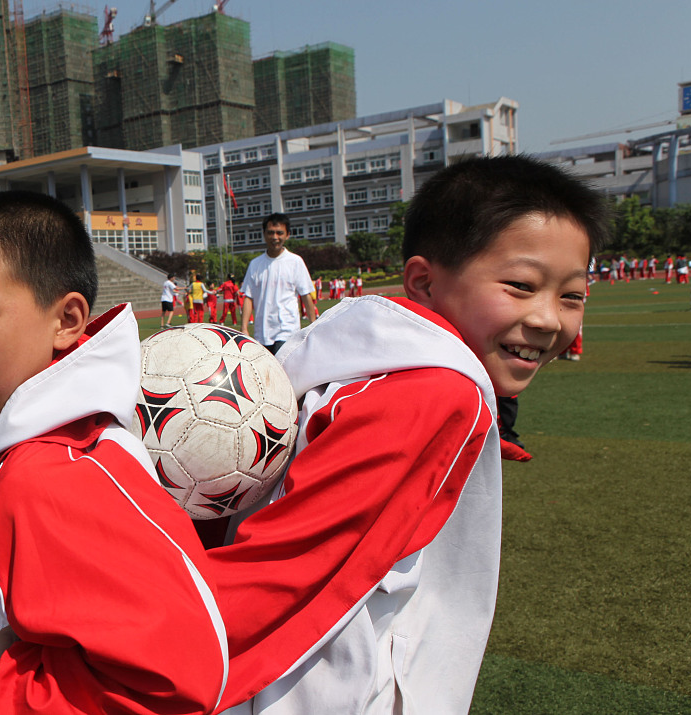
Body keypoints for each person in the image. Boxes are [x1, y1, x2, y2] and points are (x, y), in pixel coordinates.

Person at [209, 155, 609, 714]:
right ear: (422, 281)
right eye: (521, 286)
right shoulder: (438, 397)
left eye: (572, 296)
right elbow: (283, 580)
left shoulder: (350, 362)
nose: (549, 318)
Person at [0, 191, 228, 715]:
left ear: (66, 320)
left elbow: (175, 681)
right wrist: (17, 593)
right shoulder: (78, 435)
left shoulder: (46, 473)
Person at [240, 214, 318, 354]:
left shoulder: (295, 262)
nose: (275, 237)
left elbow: (306, 295)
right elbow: (248, 297)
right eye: (270, 233)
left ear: (287, 235)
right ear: (264, 234)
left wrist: (313, 325)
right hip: (262, 333)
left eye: (279, 233)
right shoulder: (255, 264)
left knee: (283, 370)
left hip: (287, 330)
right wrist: (244, 328)